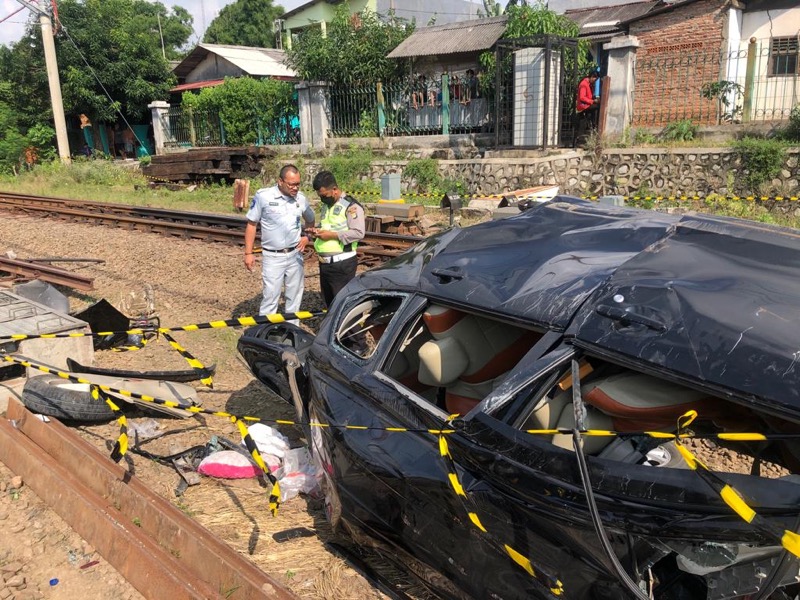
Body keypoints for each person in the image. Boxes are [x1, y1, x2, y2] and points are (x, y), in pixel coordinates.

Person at [244, 165, 315, 317]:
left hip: (295, 255)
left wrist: (307, 237)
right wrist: (248, 253)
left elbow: (311, 219)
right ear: (280, 181)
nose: (295, 188)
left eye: (297, 184)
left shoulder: (301, 198)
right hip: (272, 256)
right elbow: (251, 224)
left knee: (294, 299)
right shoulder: (264, 197)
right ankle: (263, 334)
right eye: (291, 184)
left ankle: (291, 332)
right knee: (270, 297)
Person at [308, 171, 366, 308]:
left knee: (343, 306)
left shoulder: (351, 207)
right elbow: (328, 226)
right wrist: (317, 231)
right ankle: (333, 330)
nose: (322, 198)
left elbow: (358, 233)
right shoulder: (327, 206)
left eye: (324, 195)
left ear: (334, 190)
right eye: (319, 196)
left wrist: (332, 235)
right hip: (325, 264)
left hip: (342, 265)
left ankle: (352, 330)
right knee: (329, 305)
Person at [576, 71, 600, 143]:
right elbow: (582, 97)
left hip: (587, 105)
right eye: (595, 79)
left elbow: (589, 95)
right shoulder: (584, 84)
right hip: (583, 106)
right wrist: (593, 101)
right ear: (592, 77)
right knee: (596, 108)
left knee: (594, 110)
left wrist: (594, 98)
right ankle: (594, 126)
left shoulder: (590, 84)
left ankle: (592, 127)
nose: (595, 81)